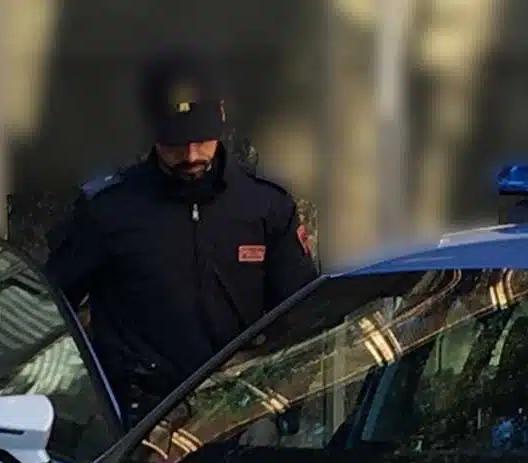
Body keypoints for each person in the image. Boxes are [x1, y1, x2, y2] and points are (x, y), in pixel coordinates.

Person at [39, 50, 320, 424]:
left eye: (201, 140)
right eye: (175, 143)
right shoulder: (108, 211)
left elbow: (302, 315)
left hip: (239, 412)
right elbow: (46, 304)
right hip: (136, 421)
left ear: (220, 119)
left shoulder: (265, 207)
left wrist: (278, 391)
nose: (190, 155)